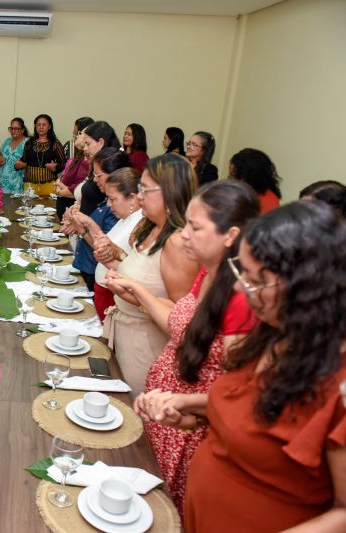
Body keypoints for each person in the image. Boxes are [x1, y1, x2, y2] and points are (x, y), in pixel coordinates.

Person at [141, 201, 346, 532]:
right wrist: (189, 404)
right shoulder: (270, 335)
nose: (238, 287)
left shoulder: (339, 383)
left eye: (257, 279)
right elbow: (254, 409)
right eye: (242, 272)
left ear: (309, 288)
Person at [120, 181, 259, 511]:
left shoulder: (242, 298)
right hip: (165, 413)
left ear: (230, 235)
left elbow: (241, 392)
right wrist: (137, 291)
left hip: (190, 426)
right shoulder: (207, 273)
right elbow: (179, 325)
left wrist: (183, 402)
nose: (183, 234)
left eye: (195, 227)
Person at [104, 153, 199, 396]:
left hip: (145, 347)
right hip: (122, 334)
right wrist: (117, 269)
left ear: (170, 192)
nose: (139, 196)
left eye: (146, 190)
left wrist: (133, 295)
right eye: (139, 189)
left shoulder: (177, 242)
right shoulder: (149, 227)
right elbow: (145, 275)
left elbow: (181, 316)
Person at [65, 149, 131, 296]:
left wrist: (82, 228)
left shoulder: (117, 209)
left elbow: (104, 247)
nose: (94, 179)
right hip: (88, 269)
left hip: (98, 275)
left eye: (98, 175)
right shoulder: (106, 201)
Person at [90, 167, 144, 321]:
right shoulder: (126, 217)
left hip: (113, 296)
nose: (108, 204)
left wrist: (113, 253)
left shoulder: (138, 222)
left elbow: (134, 268)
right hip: (104, 290)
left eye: (113, 199)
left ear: (132, 198)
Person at [54, 117, 94, 219]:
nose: (75, 137)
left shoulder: (86, 160)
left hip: (72, 207)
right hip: (64, 205)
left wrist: (59, 189)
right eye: (74, 134)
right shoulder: (77, 156)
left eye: (78, 133)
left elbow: (78, 188)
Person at [19, 114, 66, 196]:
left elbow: (63, 163)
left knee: (49, 208)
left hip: (49, 185)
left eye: (44, 125)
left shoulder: (55, 143)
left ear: (49, 126)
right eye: (38, 125)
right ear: (35, 126)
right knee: (28, 207)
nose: (41, 127)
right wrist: (17, 165)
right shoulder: (29, 142)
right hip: (30, 185)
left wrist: (55, 167)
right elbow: (24, 160)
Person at [229, 148, 282, 213]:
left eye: (237, 176)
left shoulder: (268, 201)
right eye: (232, 176)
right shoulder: (241, 194)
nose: (233, 180)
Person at [0, 117, 29, 194]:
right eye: (11, 128)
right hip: (3, 184)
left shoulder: (28, 143)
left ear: (22, 130)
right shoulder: (7, 141)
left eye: (16, 129)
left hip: (19, 185)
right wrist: (0, 160)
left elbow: (34, 163)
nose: (13, 131)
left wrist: (23, 165)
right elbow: (0, 157)